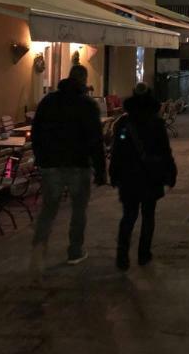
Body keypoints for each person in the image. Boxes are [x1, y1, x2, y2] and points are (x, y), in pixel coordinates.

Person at [30, 64, 105, 273]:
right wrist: (101, 170)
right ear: (83, 80)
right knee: (78, 209)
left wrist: (41, 159)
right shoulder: (87, 105)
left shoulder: (48, 101)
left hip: (51, 164)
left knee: (49, 209)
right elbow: (95, 140)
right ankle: (75, 251)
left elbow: (35, 133)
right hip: (78, 165)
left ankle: (39, 246)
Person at [109, 83, 177, 270]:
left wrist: (113, 173)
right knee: (148, 215)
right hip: (150, 176)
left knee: (128, 216)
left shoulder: (124, 123)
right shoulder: (156, 124)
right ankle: (144, 254)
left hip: (128, 177)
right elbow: (165, 151)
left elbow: (117, 150)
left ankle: (122, 256)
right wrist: (171, 173)